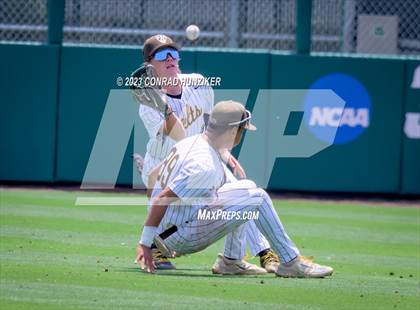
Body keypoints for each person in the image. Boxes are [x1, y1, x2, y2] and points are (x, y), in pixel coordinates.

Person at [136, 100, 334, 278]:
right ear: (232, 131)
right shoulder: (204, 164)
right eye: (242, 129)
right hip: (179, 234)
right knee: (258, 198)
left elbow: (154, 179)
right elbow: (162, 198)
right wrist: (146, 243)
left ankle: (231, 262)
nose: (242, 134)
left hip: (173, 226)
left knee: (246, 189)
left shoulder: (191, 141)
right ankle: (291, 262)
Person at [133, 34, 280, 273]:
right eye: (162, 55)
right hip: (163, 169)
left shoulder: (198, 83)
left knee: (242, 189)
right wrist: (165, 109)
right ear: (150, 65)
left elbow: (209, 123)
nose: (170, 58)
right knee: (173, 222)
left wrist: (222, 149)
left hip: (198, 156)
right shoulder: (148, 104)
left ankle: (264, 254)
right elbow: (181, 138)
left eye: (173, 53)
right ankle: (156, 245)